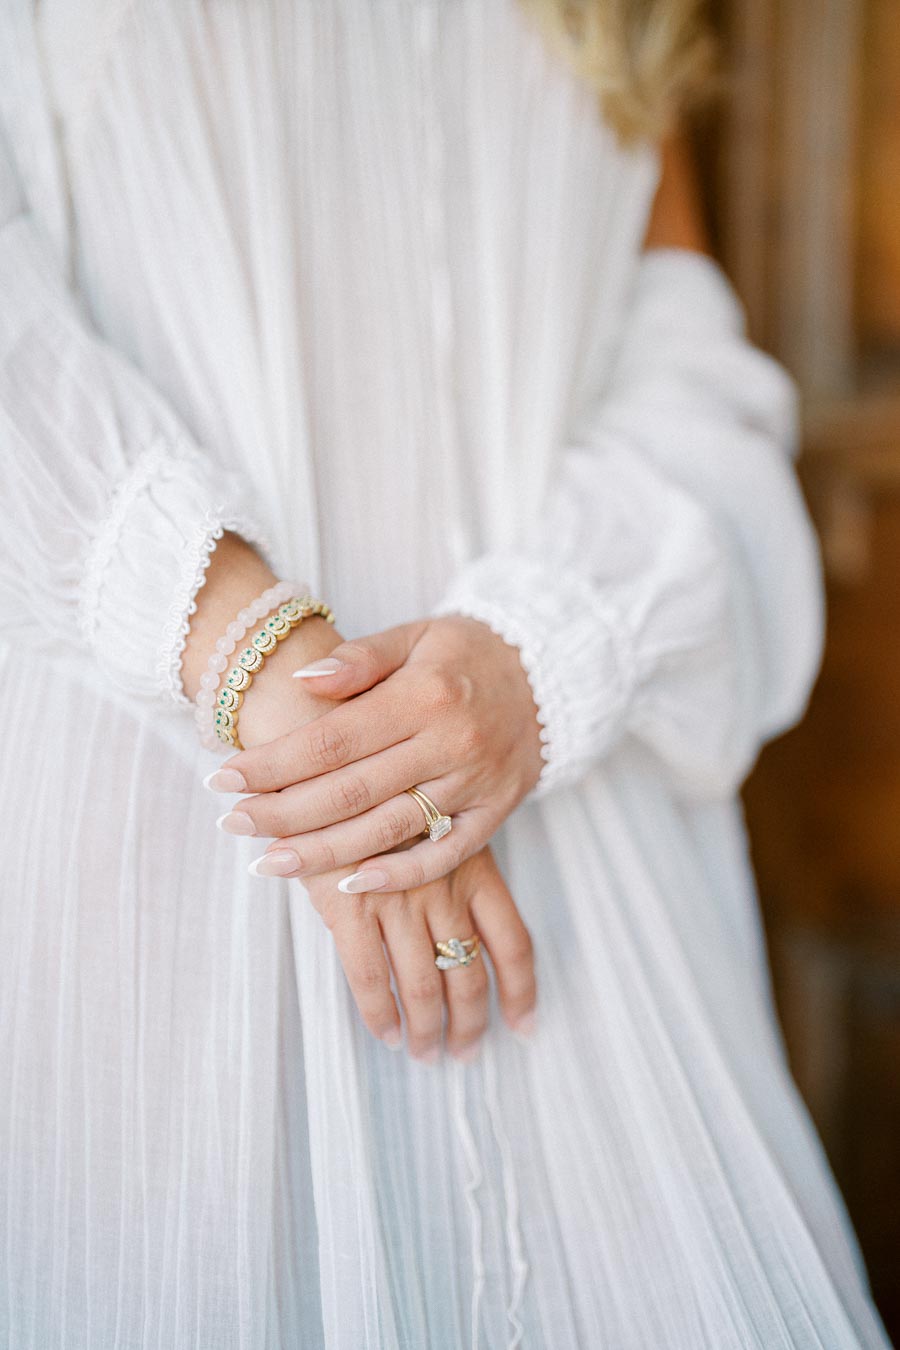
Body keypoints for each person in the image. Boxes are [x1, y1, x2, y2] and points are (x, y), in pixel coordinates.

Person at [0, 2, 891, 1346]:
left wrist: (543, 651)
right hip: (171, 865)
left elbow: (683, 360)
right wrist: (235, 631)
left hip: (573, 868)